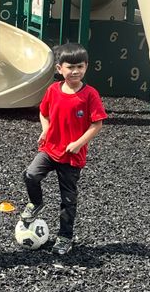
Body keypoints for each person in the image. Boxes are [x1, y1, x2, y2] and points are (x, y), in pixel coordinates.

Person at [21, 43, 108, 255]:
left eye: (80, 66)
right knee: (31, 175)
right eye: (70, 67)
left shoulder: (90, 95)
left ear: (86, 67)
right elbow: (43, 113)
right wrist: (46, 129)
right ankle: (36, 203)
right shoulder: (52, 90)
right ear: (60, 69)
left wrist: (78, 144)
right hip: (50, 149)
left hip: (72, 157)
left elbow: (97, 124)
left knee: (68, 199)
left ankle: (65, 237)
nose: (75, 71)